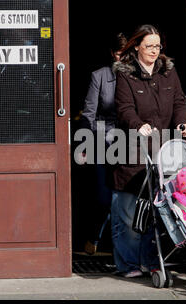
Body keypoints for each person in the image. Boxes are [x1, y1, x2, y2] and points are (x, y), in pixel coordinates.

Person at [111, 24, 186, 277]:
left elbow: (179, 100)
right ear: (136, 46)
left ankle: (151, 260)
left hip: (164, 148)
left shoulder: (168, 71)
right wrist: (138, 125)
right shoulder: (126, 74)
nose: (155, 51)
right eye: (149, 46)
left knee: (159, 208)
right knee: (128, 211)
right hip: (133, 149)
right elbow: (124, 108)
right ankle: (129, 264)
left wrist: (183, 121)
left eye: (158, 46)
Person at [79, 32, 127, 254]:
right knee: (102, 196)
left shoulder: (138, 77)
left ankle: (123, 248)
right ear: (111, 53)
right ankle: (94, 236)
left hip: (131, 142)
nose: (123, 59)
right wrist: (87, 145)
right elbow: (88, 114)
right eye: (119, 54)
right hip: (101, 140)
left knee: (127, 196)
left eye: (127, 54)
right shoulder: (99, 76)